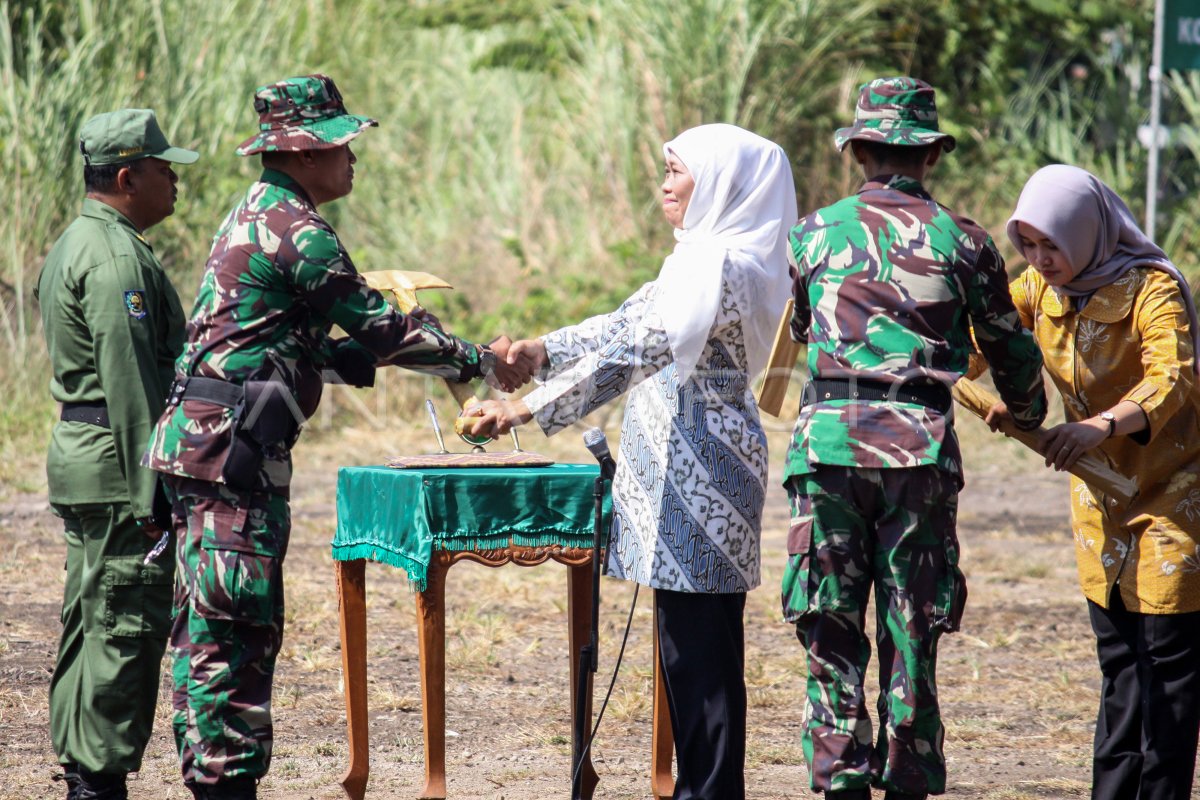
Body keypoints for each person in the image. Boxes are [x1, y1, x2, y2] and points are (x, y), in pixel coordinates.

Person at [141, 74, 532, 800]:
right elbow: (378, 322)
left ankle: (213, 782)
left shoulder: (260, 212)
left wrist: (345, 356)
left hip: (208, 448)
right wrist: (481, 361)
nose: (353, 155)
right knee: (234, 630)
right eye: (341, 142)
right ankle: (224, 787)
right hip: (230, 456)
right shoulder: (297, 229)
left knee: (206, 632)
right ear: (304, 150)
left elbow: (282, 335)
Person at [465, 123, 797, 799]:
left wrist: (526, 409)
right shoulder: (703, 257)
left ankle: (707, 793)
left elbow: (637, 352)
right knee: (688, 647)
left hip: (699, 469)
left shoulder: (721, 265)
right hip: (680, 465)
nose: (664, 185)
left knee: (700, 651)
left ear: (721, 183)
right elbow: (627, 322)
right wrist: (543, 350)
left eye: (677, 172)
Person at [781, 77, 1048, 800]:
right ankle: (906, 773)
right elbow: (1010, 347)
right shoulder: (966, 241)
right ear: (930, 155)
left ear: (859, 151)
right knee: (913, 624)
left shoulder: (810, 234)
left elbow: (804, 331)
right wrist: (1027, 414)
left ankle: (839, 774)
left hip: (828, 447)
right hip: (920, 453)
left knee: (829, 623)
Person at [986, 164, 1200, 800]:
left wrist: (1100, 425)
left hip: (1173, 494)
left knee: (1167, 664)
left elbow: (1176, 377)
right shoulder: (1038, 291)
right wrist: (1001, 393)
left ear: (1088, 232)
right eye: (1028, 244)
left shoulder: (1151, 289)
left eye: (1052, 243)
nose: (1040, 259)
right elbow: (981, 341)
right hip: (1099, 497)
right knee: (1119, 664)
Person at [35, 109, 198, 800]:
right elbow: (131, 380)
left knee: (93, 614)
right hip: (117, 463)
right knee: (123, 621)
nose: (175, 184)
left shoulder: (82, 240)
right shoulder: (114, 259)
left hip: (90, 456)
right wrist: (155, 491)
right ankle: (96, 780)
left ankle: (83, 767)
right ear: (128, 176)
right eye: (165, 171)